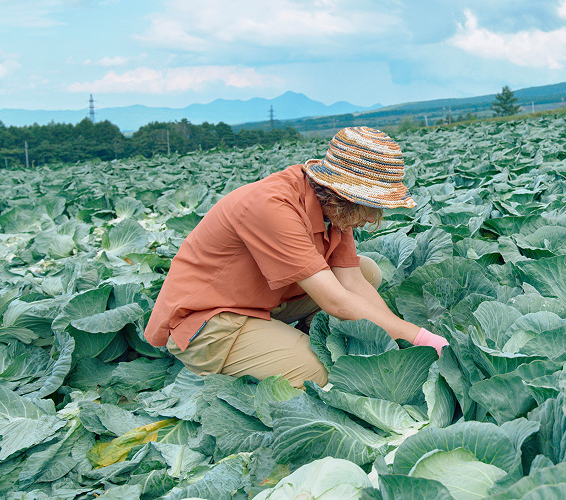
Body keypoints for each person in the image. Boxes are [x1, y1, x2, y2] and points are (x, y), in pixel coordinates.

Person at [144, 126, 448, 388]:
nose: (372, 217)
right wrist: (422, 339)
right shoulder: (273, 206)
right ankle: (251, 358)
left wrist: (397, 340)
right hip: (211, 324)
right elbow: (337, 301)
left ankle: (296, 338)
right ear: (343, 193)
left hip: (260, 302)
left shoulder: (334, 208)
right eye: (370, 204)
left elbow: (353, 282)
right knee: (316, 371)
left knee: (368, 271)